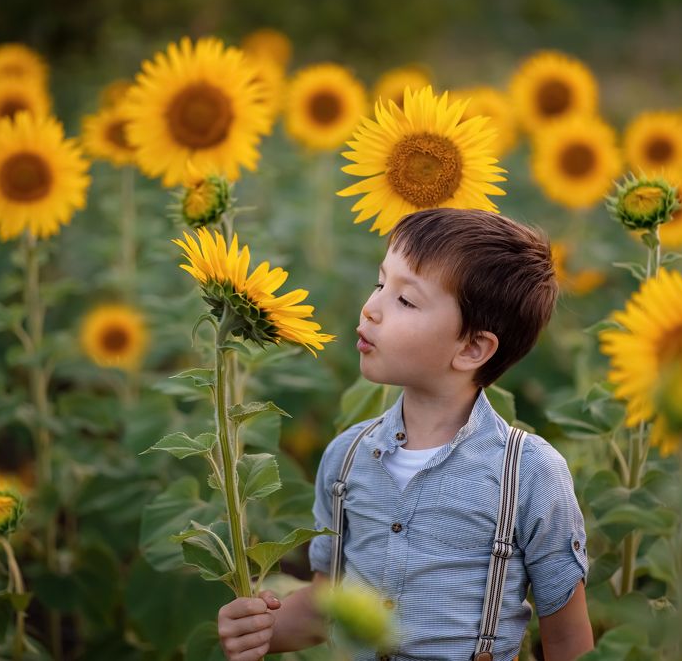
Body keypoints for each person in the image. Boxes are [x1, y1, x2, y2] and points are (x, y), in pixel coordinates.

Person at [218, 208, 593, 661]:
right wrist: (260, 630)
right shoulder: (346, 457)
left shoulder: (529, 474)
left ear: (472, 347)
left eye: (406, 301)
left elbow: (568, 639)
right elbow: (325, 605)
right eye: (380, 284)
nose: (371, 308)